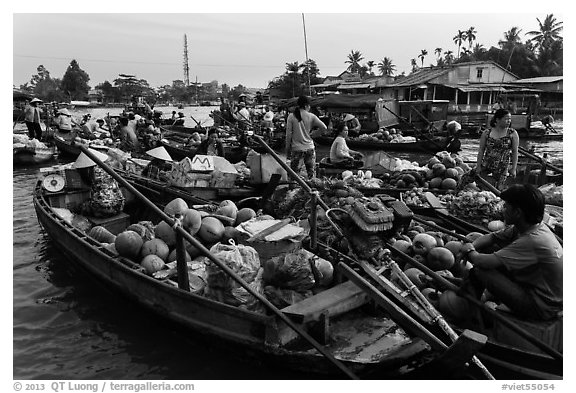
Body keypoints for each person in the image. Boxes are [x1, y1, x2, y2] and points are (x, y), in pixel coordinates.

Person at [459, 184, 562, 321]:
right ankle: (481, 295)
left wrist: (469, 250)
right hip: (539, 292)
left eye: (506, 206)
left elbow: (481, 261)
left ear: (517, 212)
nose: (503, 209)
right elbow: (492, 237)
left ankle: (470, 316)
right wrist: (472, 244)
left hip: (541, 307)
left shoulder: (532, 240)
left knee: (479, 271)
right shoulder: (530, 227)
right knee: (491, 249)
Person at [474, 109, 519, 190]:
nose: (508, 121)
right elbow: (481, 150)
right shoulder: (487, 133)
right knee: (474, 181)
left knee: (499, 190)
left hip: (503, 167)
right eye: (506, 119)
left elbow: (515, 152)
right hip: (487, 164)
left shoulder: (512, 133)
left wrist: (513, 168)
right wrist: (478, 166)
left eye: (510, 119)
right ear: (497, 119)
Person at [285, 95, 327, 179]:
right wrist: (314, 134)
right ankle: (312, 191)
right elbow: (324, 128)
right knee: (311, 175)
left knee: (294, 175)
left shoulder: (291, 116)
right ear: (306, 106)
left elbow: (288, 135)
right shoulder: (311, 116)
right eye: (309, 105)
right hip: (310, 148)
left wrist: (287, 149)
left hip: (297, 149)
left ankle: (292, 191)